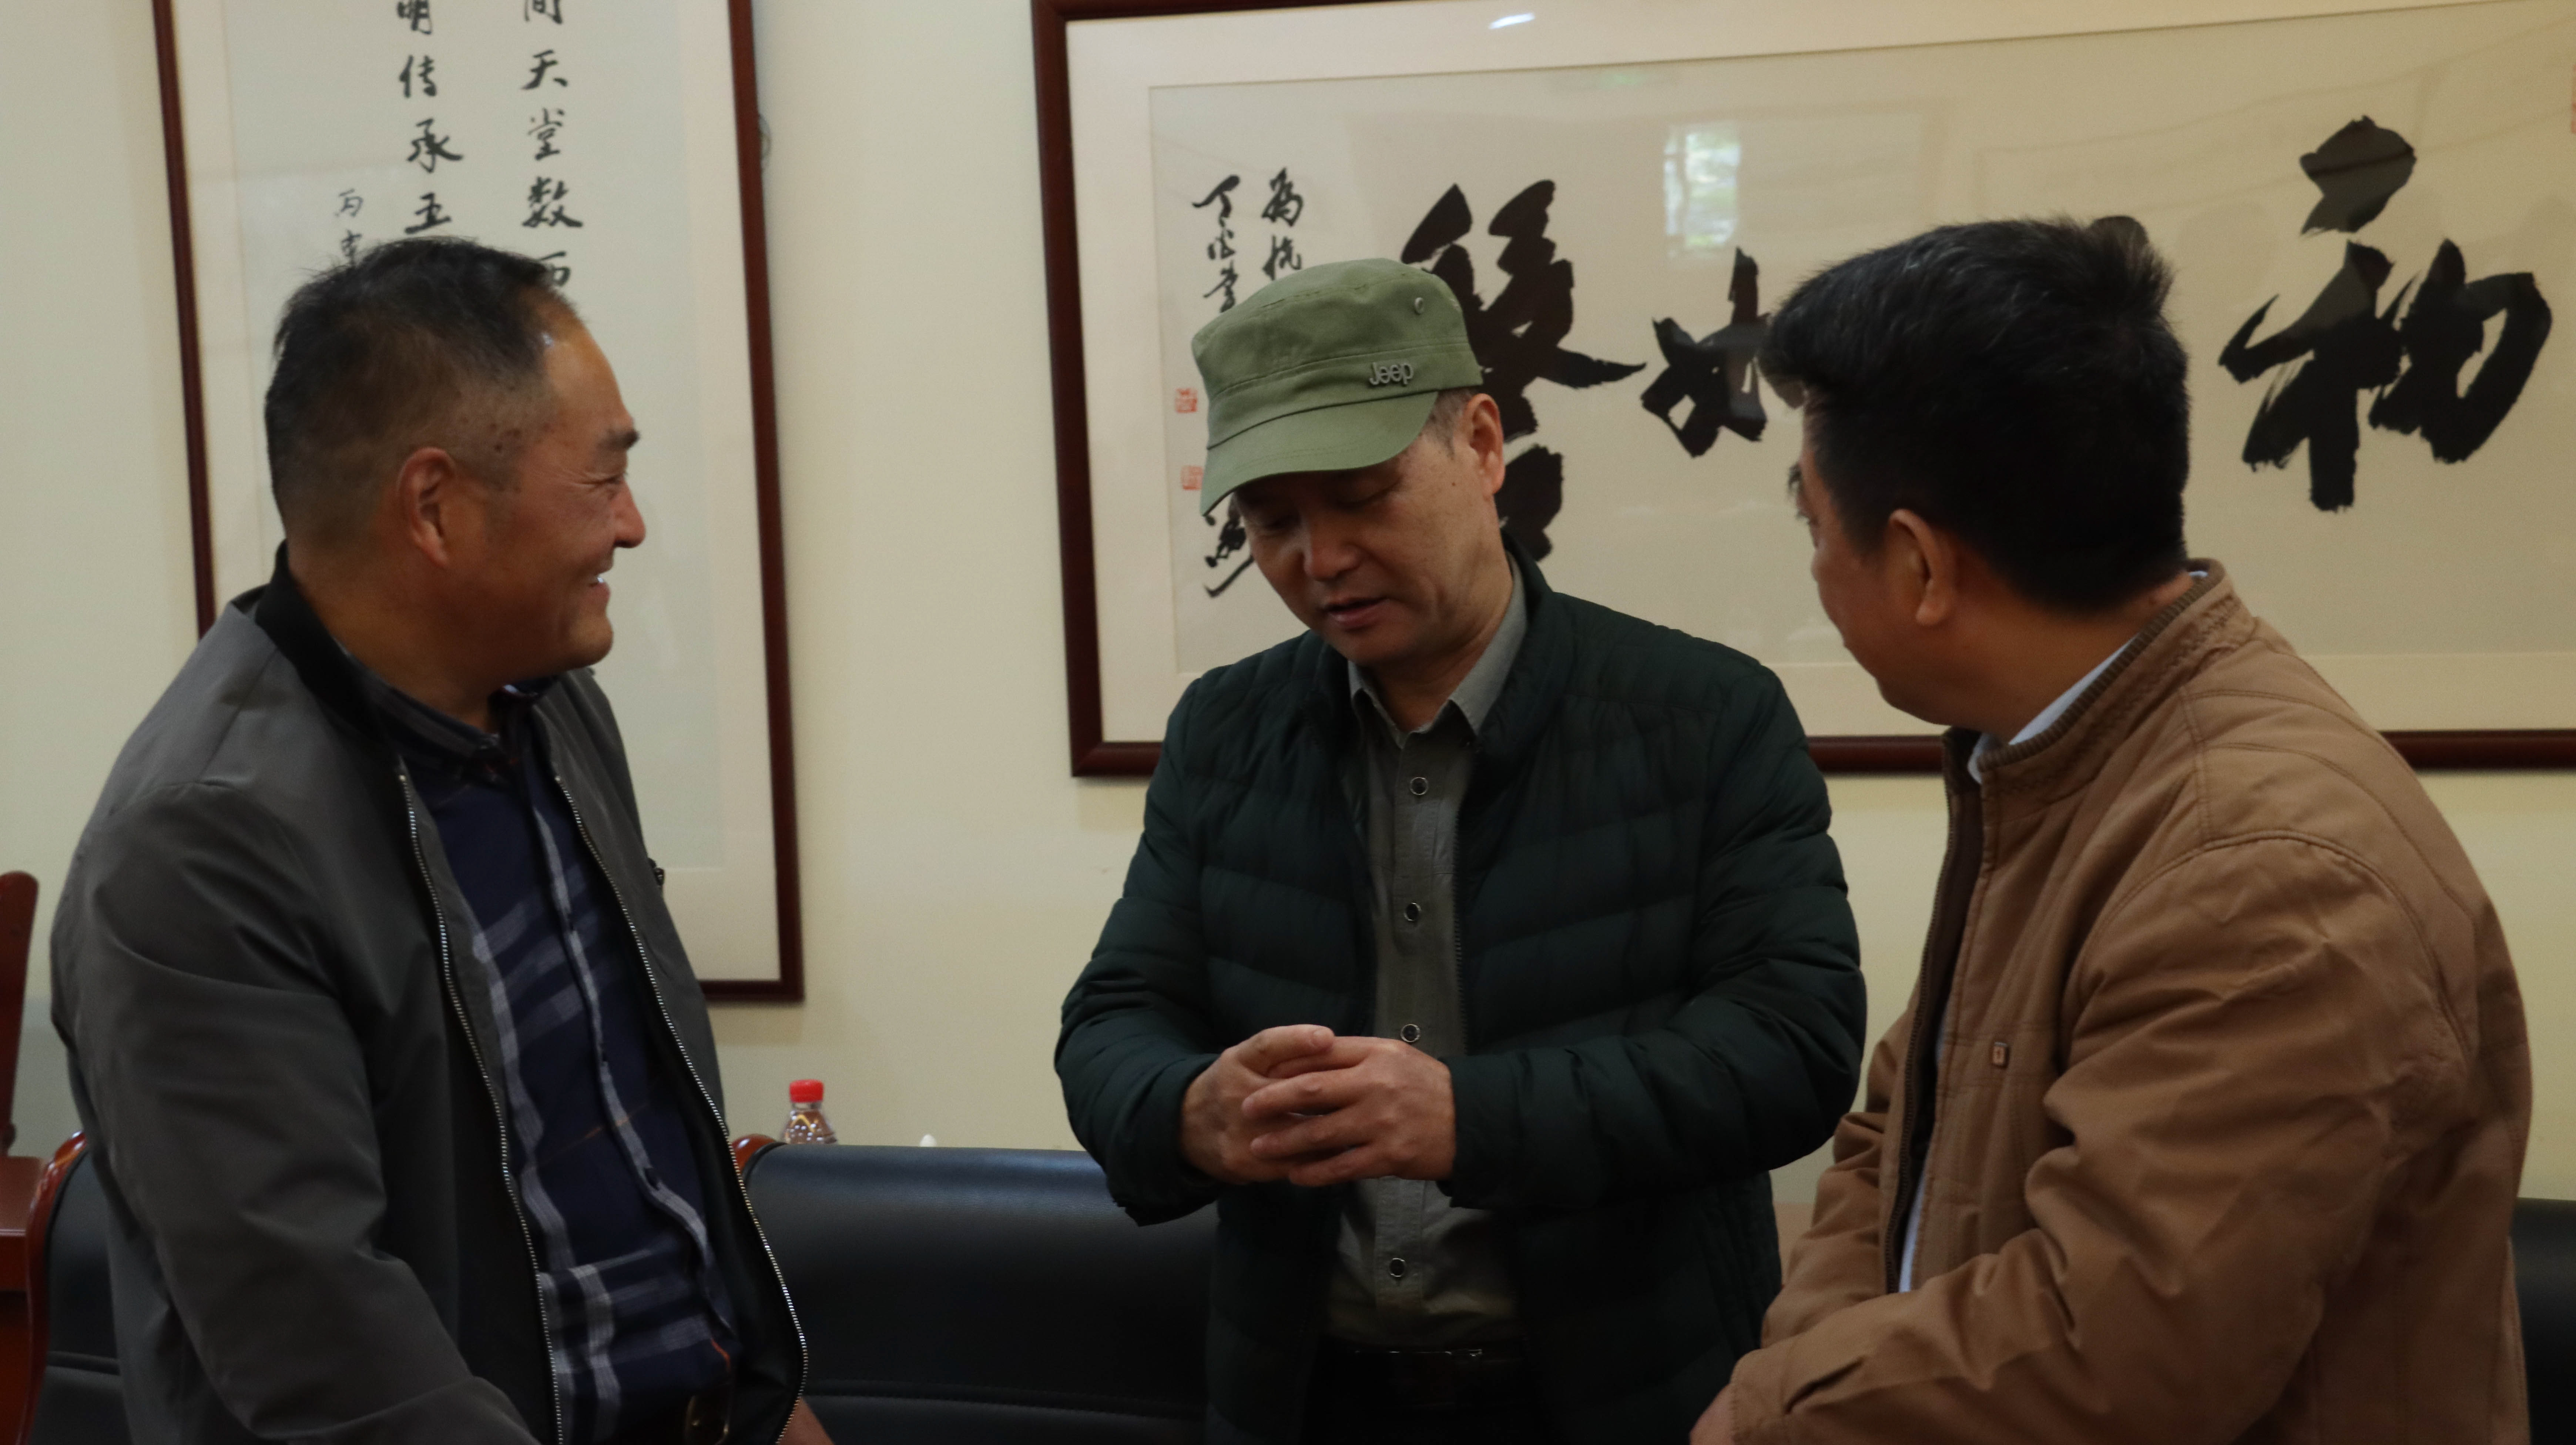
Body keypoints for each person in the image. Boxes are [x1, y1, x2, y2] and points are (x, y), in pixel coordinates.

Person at [1694, 217, 2531, 1444]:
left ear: (1920, 566)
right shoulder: (2055, 758)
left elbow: (2120, 1351)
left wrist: (1774, 1409)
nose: (1818, 568)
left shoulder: (2260, 866)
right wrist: (1822, 1363)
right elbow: (1892, 1137)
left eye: (1815, 528)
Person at [1057, 257, 1868, 1445]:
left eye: (1363, 496)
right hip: (1305, 1392)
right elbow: (1115, 1018)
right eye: (1274, 522)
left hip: (1628, 1390)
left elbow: (1791, 1048)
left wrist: (1469, 1118)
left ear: (1483, 444)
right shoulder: (1227, 732)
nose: (1321, 558)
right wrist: (1188, 1110)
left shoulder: (1703, 715)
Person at [52, 239, 831, 1445]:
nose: (630, 526)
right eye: (603, 478)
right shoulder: (200, 846)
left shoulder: (550, 711)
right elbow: (321, 1349)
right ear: (435, 507)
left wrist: (765, 1411)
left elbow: (637, 1165)